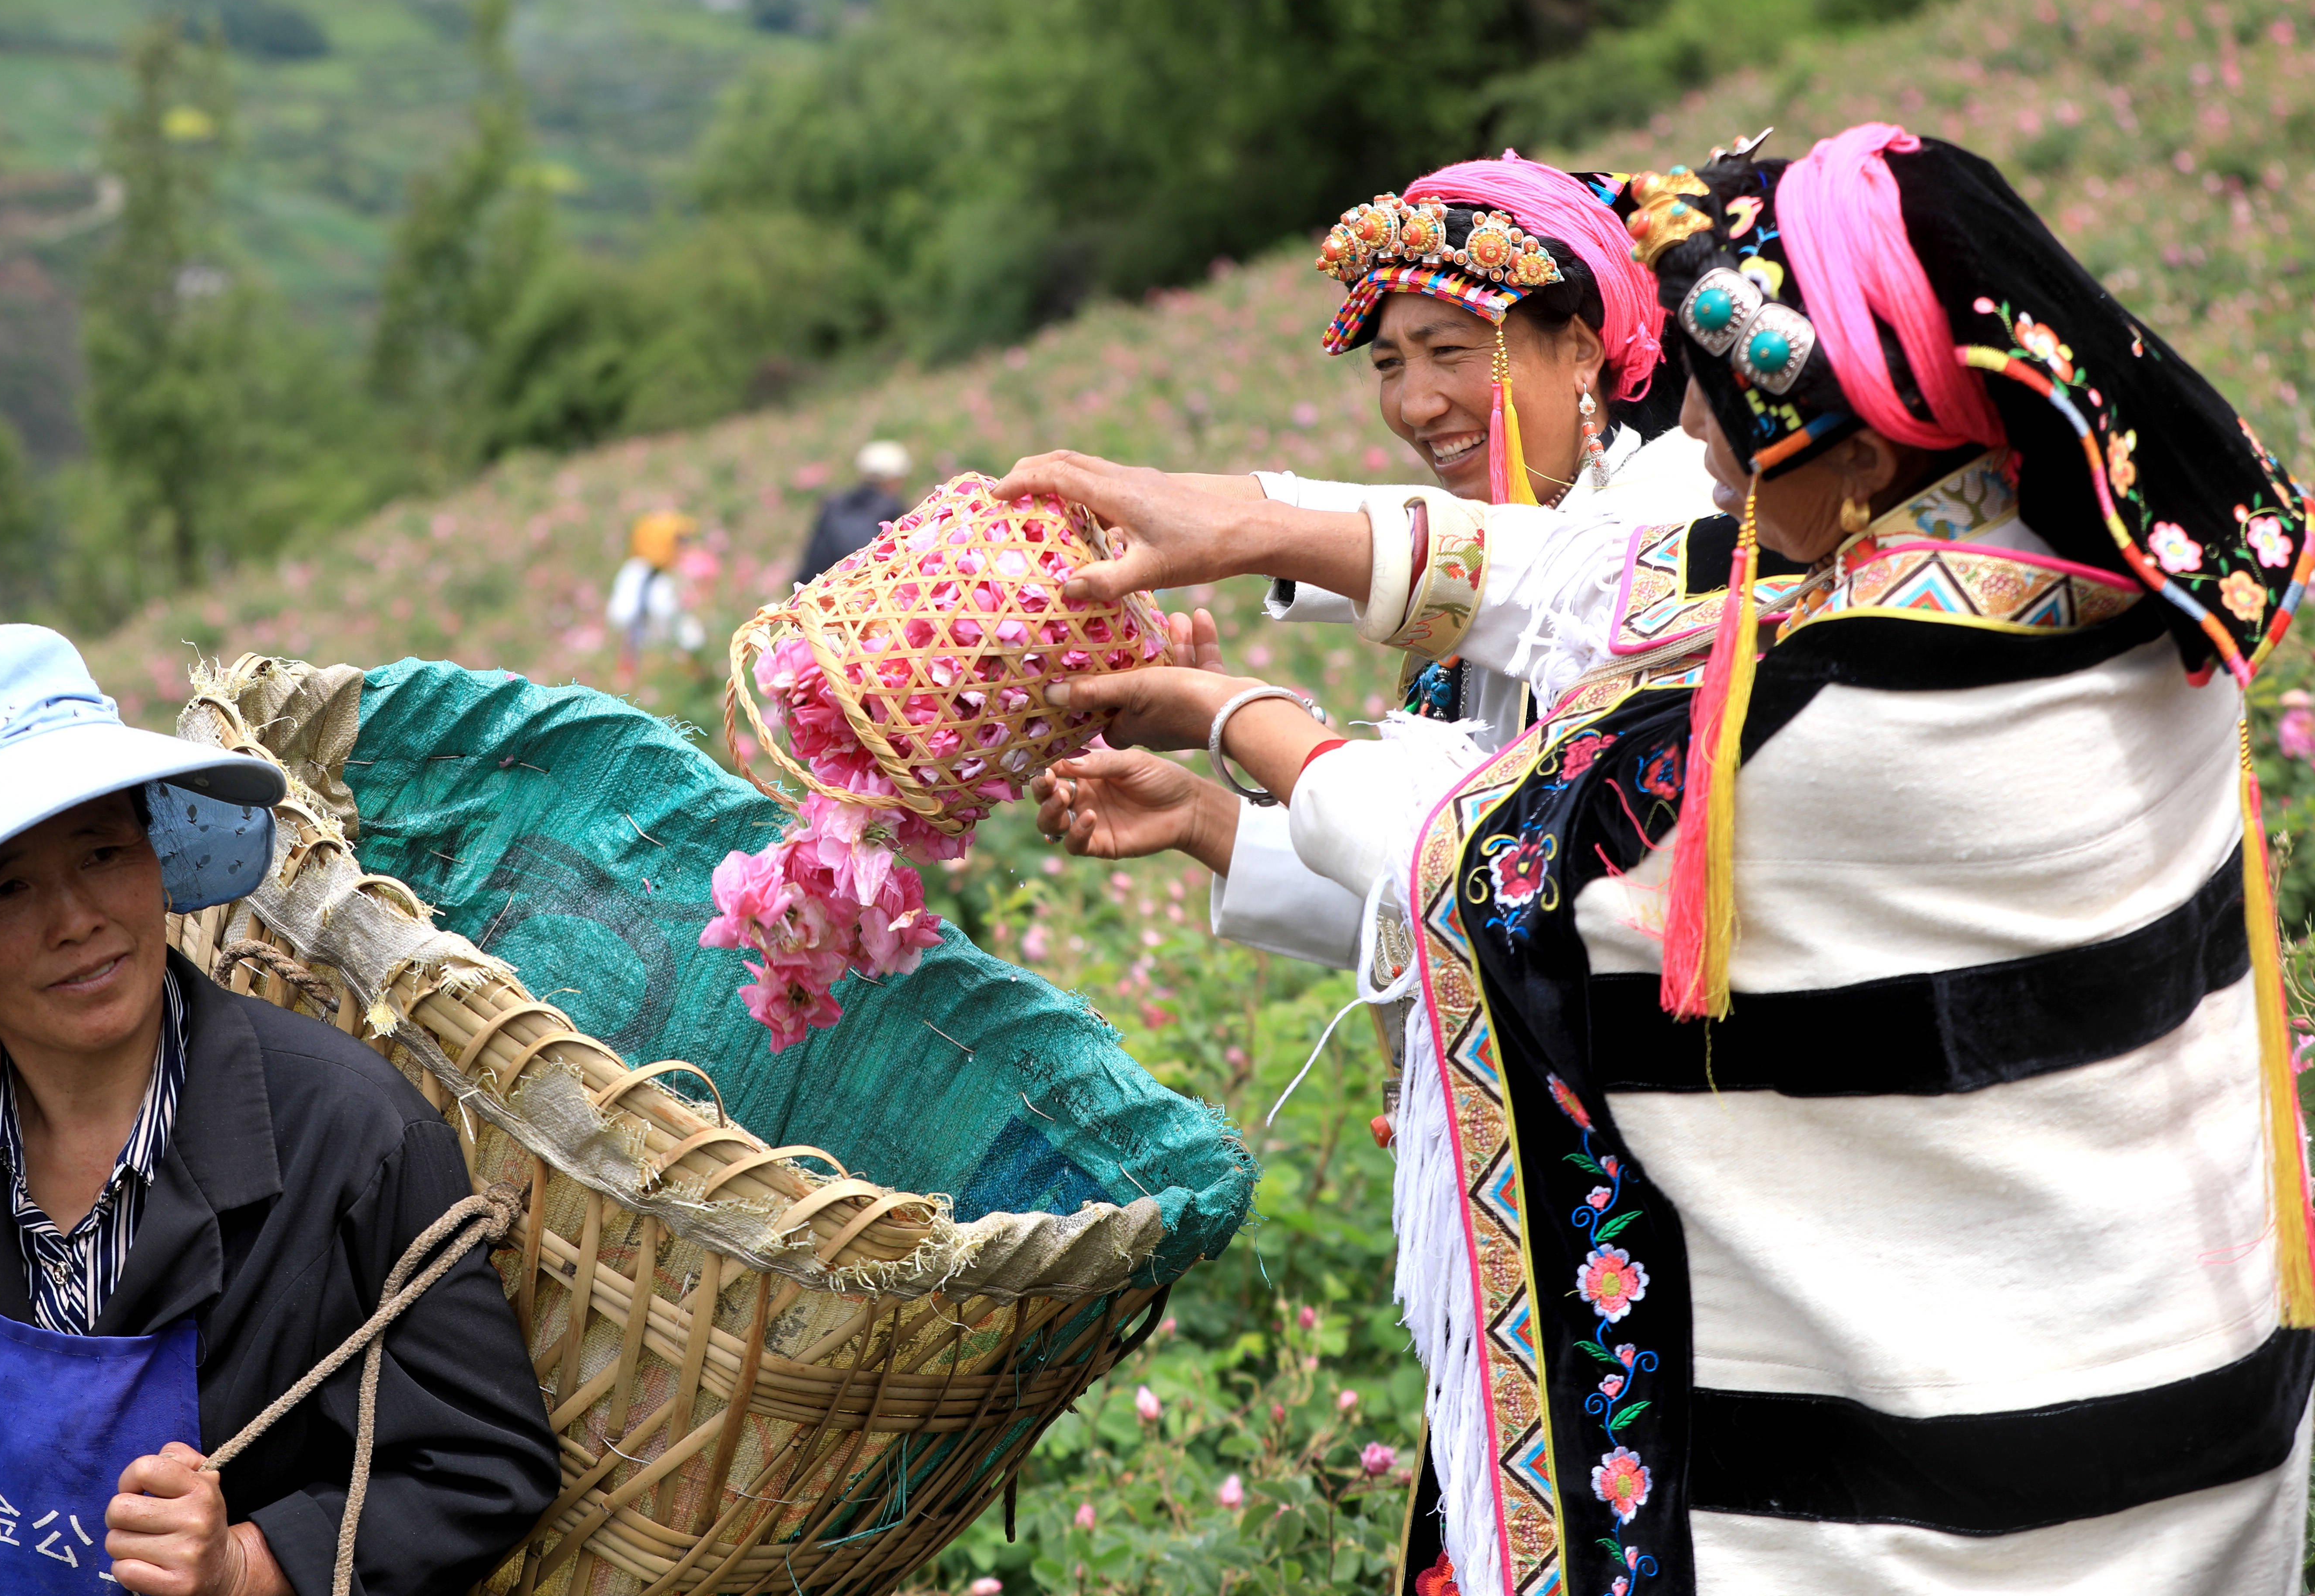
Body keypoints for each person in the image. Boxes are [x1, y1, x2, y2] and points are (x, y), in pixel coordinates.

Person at [998, 125, 2315, 1593]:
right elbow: (1595, 586)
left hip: (1962, 1492)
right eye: (1389, 361)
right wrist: (1247, 530)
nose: (1700, 449)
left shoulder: (1847, 702)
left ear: (1868, 445)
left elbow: (1479, 867)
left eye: (1730, 431)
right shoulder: (2070, 575)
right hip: (2134, 1394)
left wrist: (1228, 717)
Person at [0, 625, 558, 1596]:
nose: (77, 916)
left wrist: (250, 1561)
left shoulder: (349, 1131)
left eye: (104, 850)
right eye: (8, 885)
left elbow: (482, 1462)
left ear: (157, 854)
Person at [1030, 157, 1707, 975]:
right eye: (1390, 366)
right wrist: (1203, 819)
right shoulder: (1484, 577)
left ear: (1580, 351)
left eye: (1450, 350)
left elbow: (1528, 902)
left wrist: (1238, 708)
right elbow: (1445, 903)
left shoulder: (1677, 515)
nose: (1414, 406)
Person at [794, 440, 911, 585]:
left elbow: (813, 562)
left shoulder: (834, 507)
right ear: (896, 480)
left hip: (821, 593)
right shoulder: (893, 512)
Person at [606, 510, 704, 681]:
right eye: (680, 541)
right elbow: (622, 615)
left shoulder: (674, 574)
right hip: (647, 654)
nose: (684, 547)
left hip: (673, 657)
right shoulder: (637, 573)